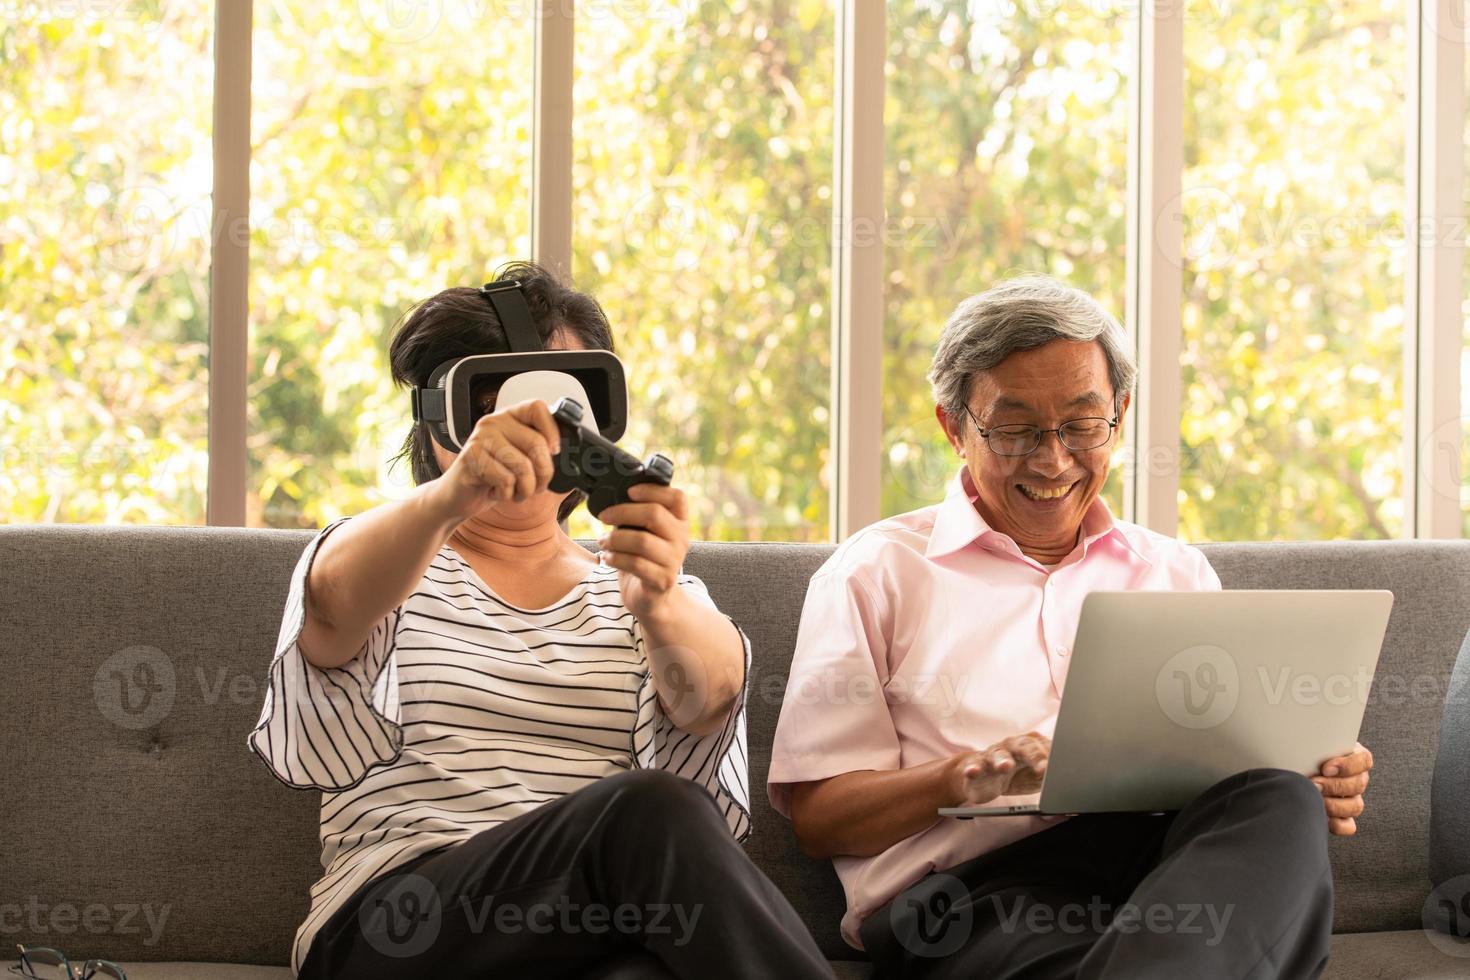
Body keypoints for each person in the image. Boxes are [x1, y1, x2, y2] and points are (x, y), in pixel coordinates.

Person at [767, 274, 1373, 978]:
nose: (1053, 460)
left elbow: (1235, 773)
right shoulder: (875, 573)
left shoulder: (1176, 574)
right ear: (953, 426)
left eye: (1082, 425)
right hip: (973, 898)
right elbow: (819, 818)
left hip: (1168, 878)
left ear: (1119, 413)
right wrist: (963, 778)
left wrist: (1313, 770)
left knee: (1279, 799)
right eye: (1017, 429)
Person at [247, 262, 833, 979]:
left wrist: (655, 602)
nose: (525, 431)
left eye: (560, 405)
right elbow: (332, 605)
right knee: (650, 811)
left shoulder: (646, 585)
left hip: (594, 930)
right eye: (490, 403)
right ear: (438, 419)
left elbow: (708, 698)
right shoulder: (386, 559)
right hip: (400, 928)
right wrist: (453, 496)